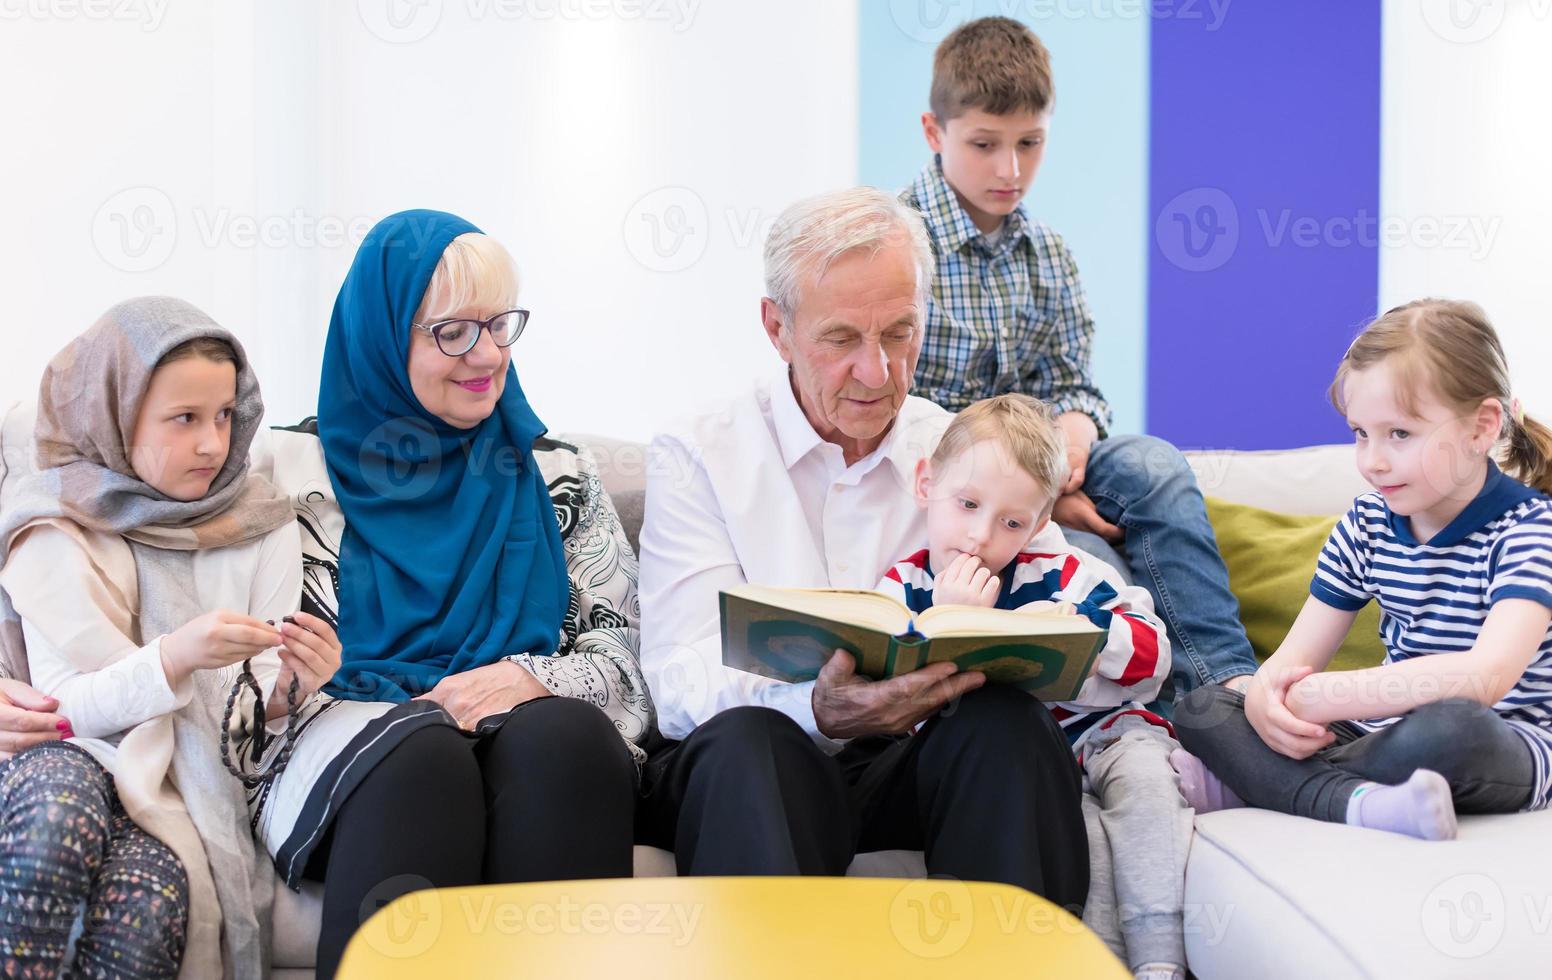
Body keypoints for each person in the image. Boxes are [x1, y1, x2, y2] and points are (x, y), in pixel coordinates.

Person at [639, 187, 1089, 909]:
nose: (878, 373)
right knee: (751, 745)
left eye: (900, 334)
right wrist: (815, 708)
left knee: (1004, 726)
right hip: (754, 764)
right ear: (776, 328)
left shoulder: (957, 450)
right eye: (842, 339)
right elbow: (677, 683)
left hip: (908, 763)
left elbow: (1068, 592)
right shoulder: (700, 453)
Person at [228, 211, 650, 978]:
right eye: (452, 332)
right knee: (421, 755)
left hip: (528, 734)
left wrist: (531, 678)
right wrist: (292, 686)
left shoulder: (558, 474)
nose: (487, 354)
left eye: (500, 325)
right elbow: (238, 677)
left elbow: (623, 663)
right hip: (361, 745)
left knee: (566, 739)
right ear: (384, 337)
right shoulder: (285, 481)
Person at [902, 16, 1258, 699]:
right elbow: (903, 415)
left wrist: (1072, 439)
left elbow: (1074, 384)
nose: (1010, 169)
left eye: (1030, 144)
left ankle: (1228, 687)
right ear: (933, 132)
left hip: (1054, 464)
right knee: (1093, 565)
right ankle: (1151, 717)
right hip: (974, 486)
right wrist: (1031, 502)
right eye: (984, 144)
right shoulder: (900, 247)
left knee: (1153, 461)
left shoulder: (1050, 255)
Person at [0, 297, 332, 978]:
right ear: (115, 416)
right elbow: (59, 715)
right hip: (72, 750)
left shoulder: (261, 520)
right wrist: (175, 657)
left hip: (185, 783)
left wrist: (289, 692)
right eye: (183, 420)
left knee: (150, 908)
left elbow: (255, 702)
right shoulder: (54, 523)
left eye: (222, 416)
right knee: (55, 828)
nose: (213, 443)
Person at [1172, 299, 1552, 839]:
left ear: (1482, 426)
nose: (1372, 460)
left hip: (1502, 742)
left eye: (1399, 434)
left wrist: (1322, 696)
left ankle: (1265, 785)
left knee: (1450, 729)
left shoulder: (1530, 530)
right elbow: (1289, 664)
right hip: (1374, 732)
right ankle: (1358, 801)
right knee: (1201, 707)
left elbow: (1483, 678)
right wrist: (1264, 703)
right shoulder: (1368, 522)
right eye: (1360, 433)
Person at [874, 393, 1189, 980]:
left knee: (1145, 792)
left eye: (1011, 522)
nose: (979, 536)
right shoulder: (905, 586)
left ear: (1039, 523)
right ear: (926, 484)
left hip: (1109, 736)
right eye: (966, 504)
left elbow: (1155, 658)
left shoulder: (1066, 576)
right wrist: (947, 621)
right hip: (1037, 773)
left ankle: (1160, 959)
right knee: (1083, 833)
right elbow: (896, 700)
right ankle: (1103, 963)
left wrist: (1093, 638)